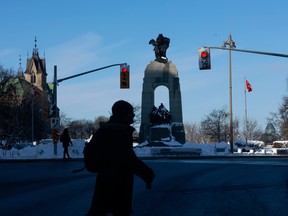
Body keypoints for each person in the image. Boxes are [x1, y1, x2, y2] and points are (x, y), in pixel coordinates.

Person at [87, 100, 155, 216]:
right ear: (124, 114)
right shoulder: (120, 132)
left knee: (97, 211)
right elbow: (129, 158)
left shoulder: (105, 129)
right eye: (131, 113)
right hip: (119, 182)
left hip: (104, 180)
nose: (133, 116)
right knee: (120, 212)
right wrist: (147, 174)